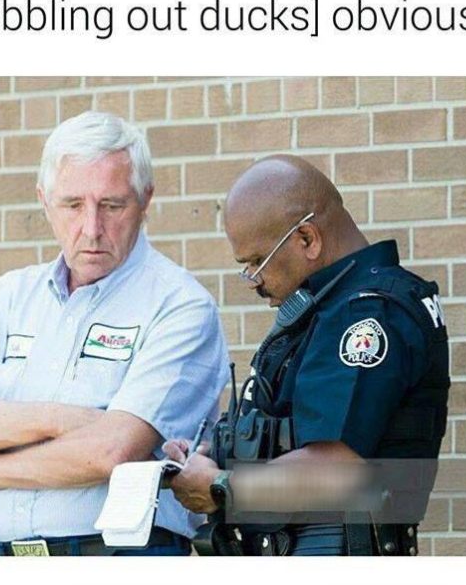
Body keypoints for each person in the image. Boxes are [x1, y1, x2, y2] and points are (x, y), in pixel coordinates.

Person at [0, 111, 229, 556]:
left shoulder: (180, 305)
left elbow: (111, 451)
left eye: (112, 205)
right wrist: (61, 419)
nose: (92, 228)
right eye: (73, 205)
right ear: (44, 201)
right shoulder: (9, 297)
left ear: (145, 200)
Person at [165, 155, 449, 556]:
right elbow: (291, 433)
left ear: (307, 239)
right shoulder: (326, 310)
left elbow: (335, 467)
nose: (253, 280)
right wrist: (215, 454)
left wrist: (220, 488)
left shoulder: (366, 314)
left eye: (256, 262)